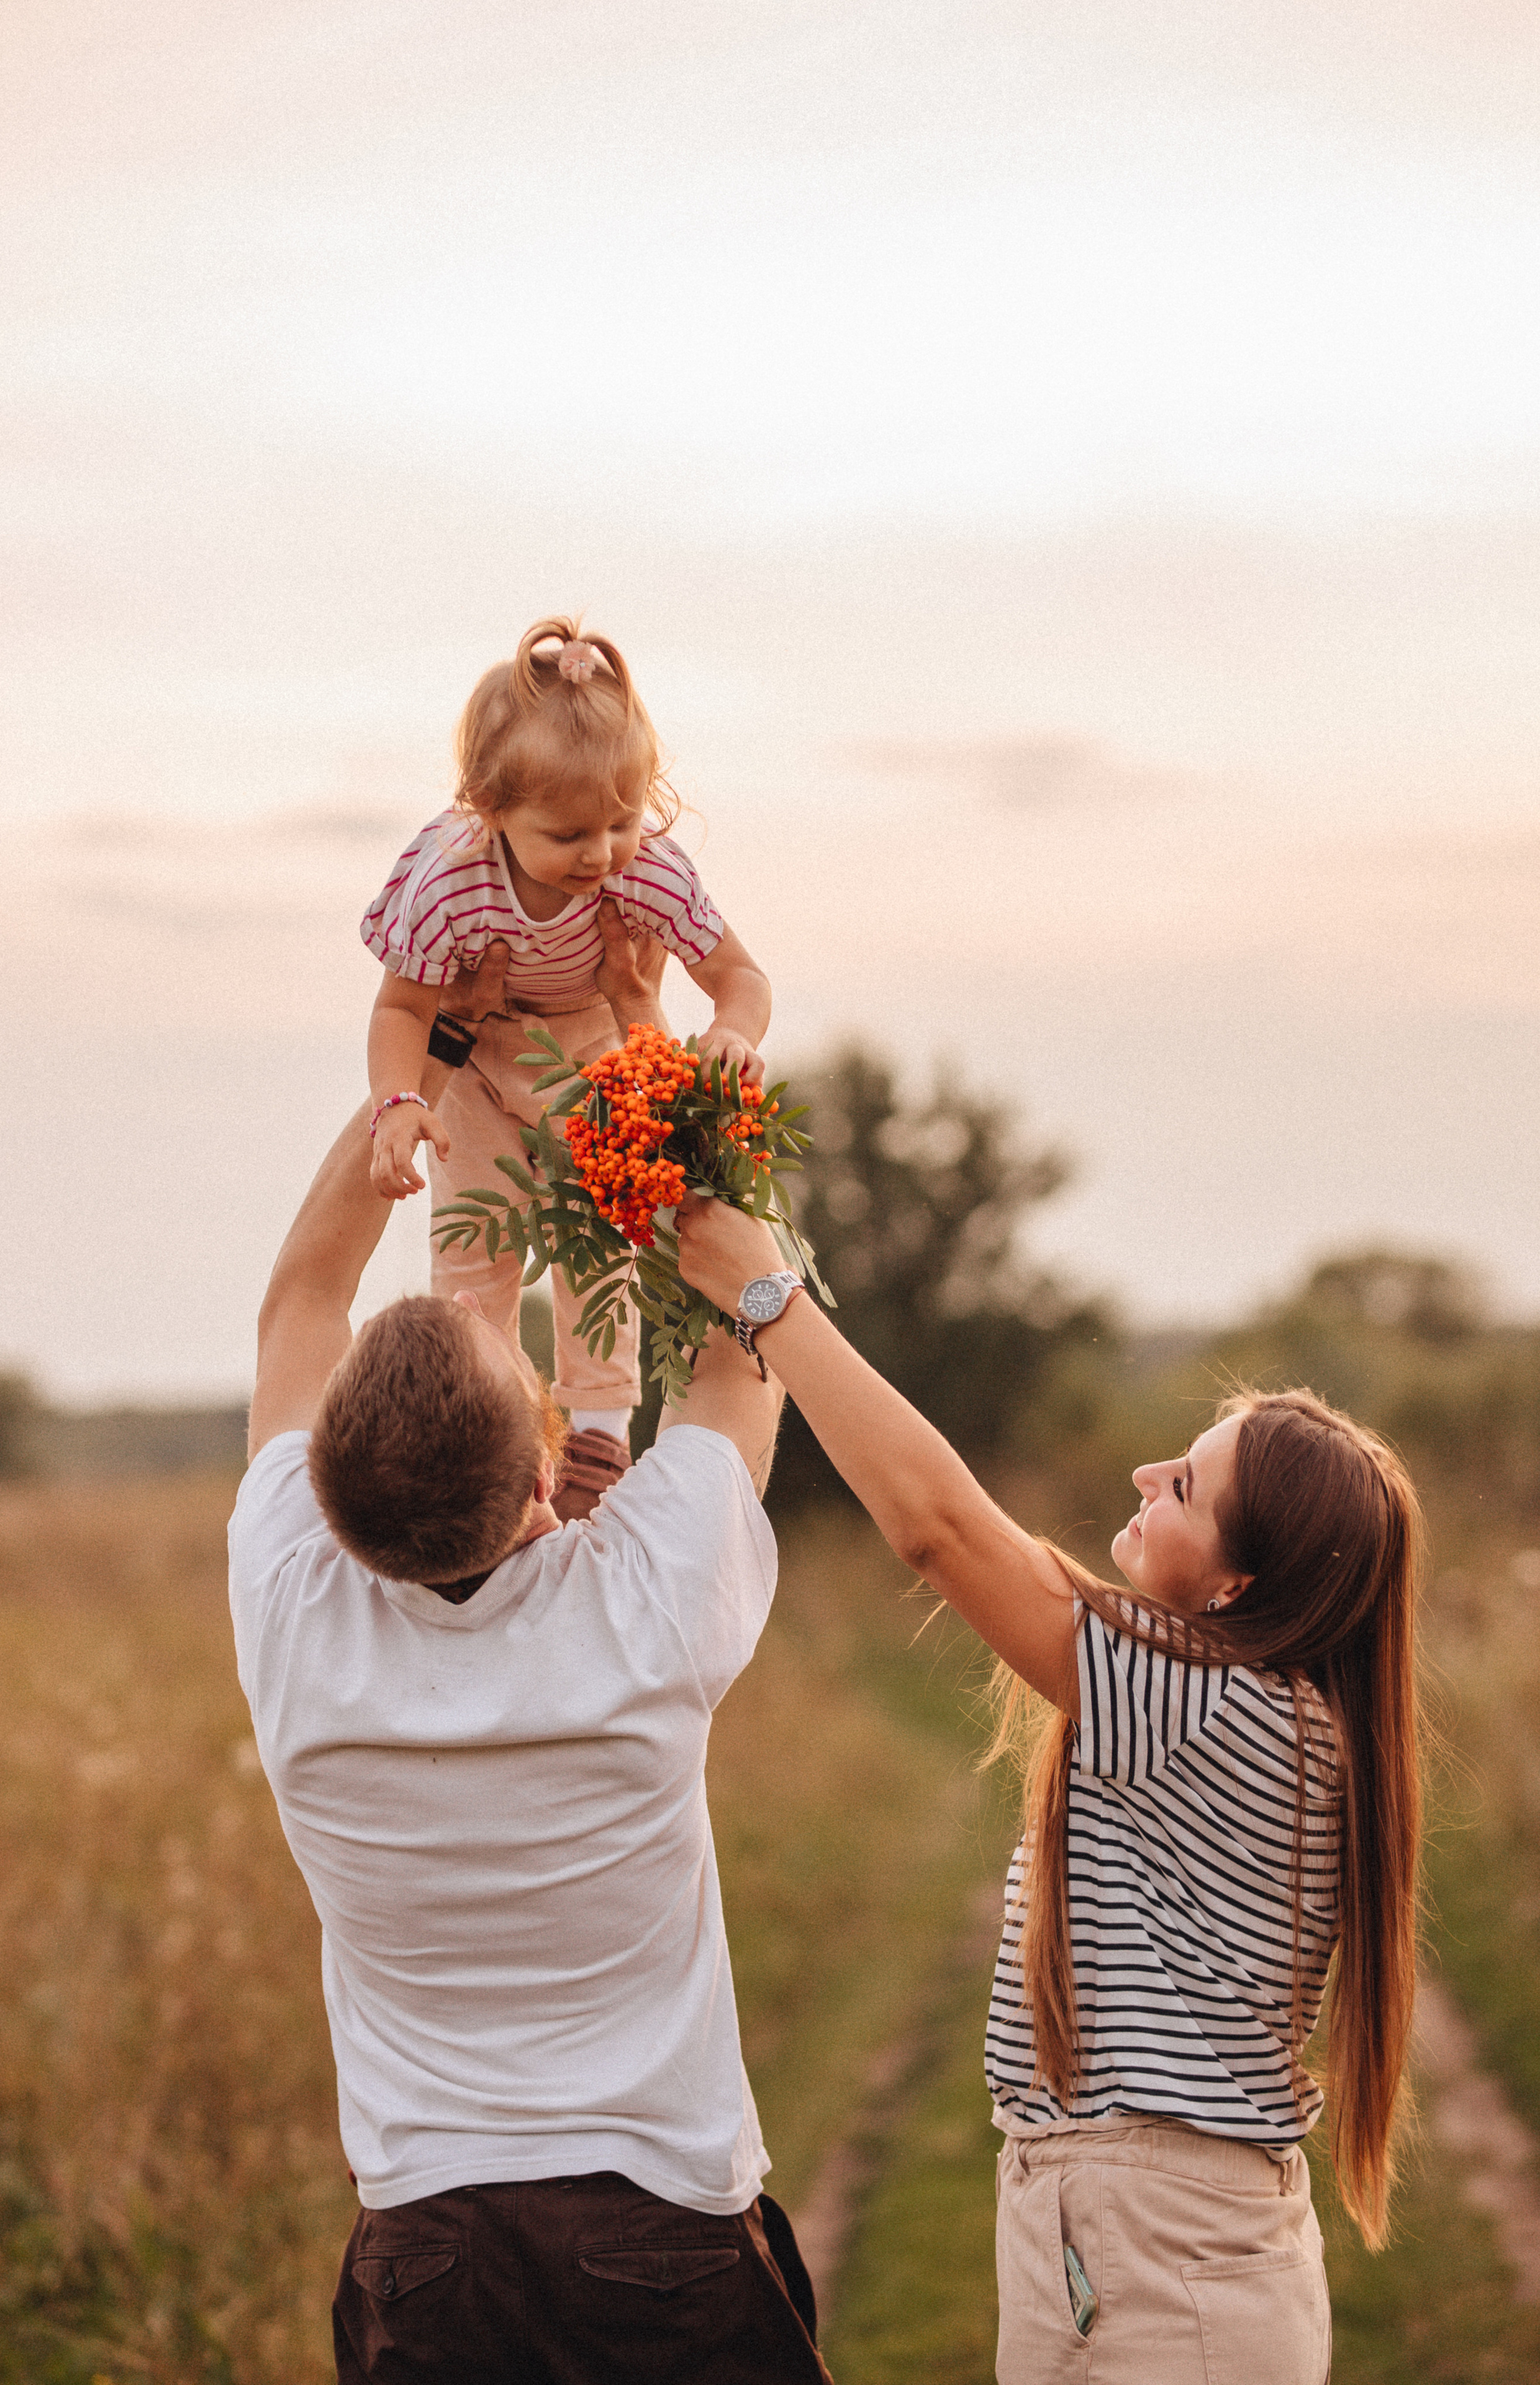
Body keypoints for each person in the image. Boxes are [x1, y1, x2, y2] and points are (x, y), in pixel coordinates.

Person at [676, 1195, 1424, 2385]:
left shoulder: (1218, 1706)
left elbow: (941, 1529)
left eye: (1183, 1485)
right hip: (1151, 2241)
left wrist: (769, 1299)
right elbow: (985, 1545)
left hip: (1158, 2257)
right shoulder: (1260, 1707)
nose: (1143, 1471)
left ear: (1238, 1584)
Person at [228, 1093, 831, 2383]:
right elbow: (746, 1357)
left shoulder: (290, 1611)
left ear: (324, 1503)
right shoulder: (640, 1605)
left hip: (423, 2257)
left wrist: (399, 1103)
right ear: (546, 1478)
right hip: (660, 2225)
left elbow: (295, 1311)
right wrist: (697, 1135)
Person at [358, 615, 771, 1512]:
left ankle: (596, 1438)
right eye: (569, 833)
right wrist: (398, 1102)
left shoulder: (645, 871)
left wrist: (735, 1031)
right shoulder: (450, 882)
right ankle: (492, 1429)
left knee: (601, 1238)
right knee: (475, 1242)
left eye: (621, 821)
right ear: (489, 807)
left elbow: (738, 975)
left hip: (594, 1042)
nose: (601, 853)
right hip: (474, 1063)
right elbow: (401, 1007)